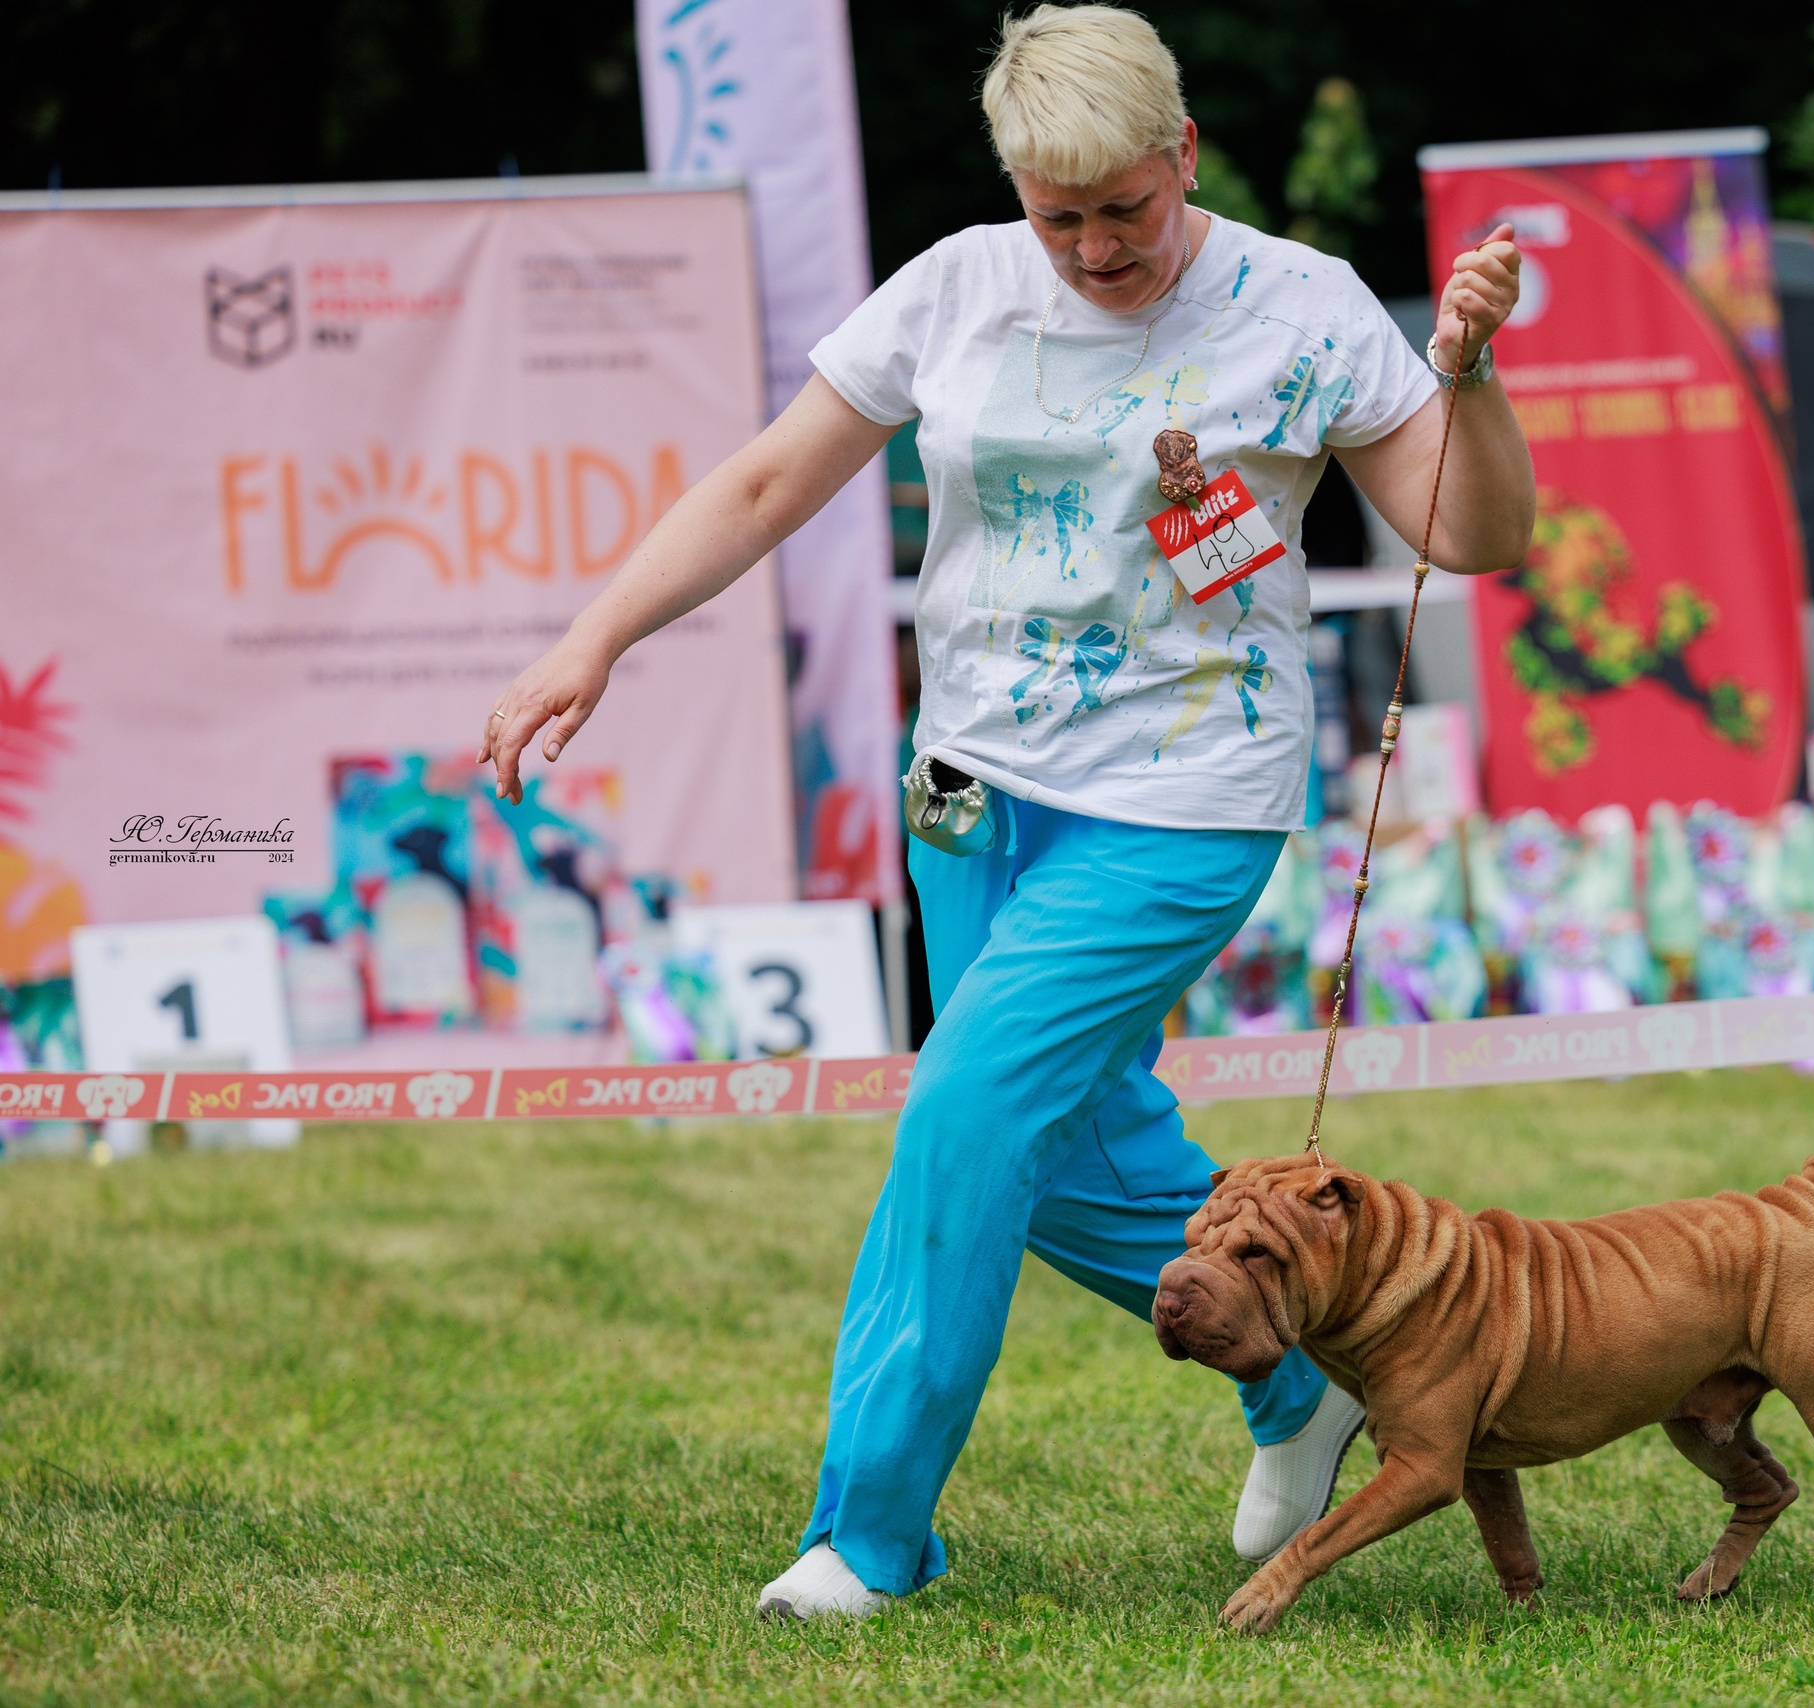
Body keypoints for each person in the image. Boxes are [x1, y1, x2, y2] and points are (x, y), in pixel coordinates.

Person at [477, 2, 1532, 1622]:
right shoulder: (958, 287)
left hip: (1186, 806)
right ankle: (1303, 1383)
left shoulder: (1305, 309)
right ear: (1012, 190)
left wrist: (1470, 377)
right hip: (967, 788)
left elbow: (1471, 534)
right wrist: (591, 635)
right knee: (1057, 1146)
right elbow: (768, 482)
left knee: (963, 1118)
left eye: (1128, 207)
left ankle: (868, 1535)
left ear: (1183, 153)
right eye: (1063, 219)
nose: (1100, 249)